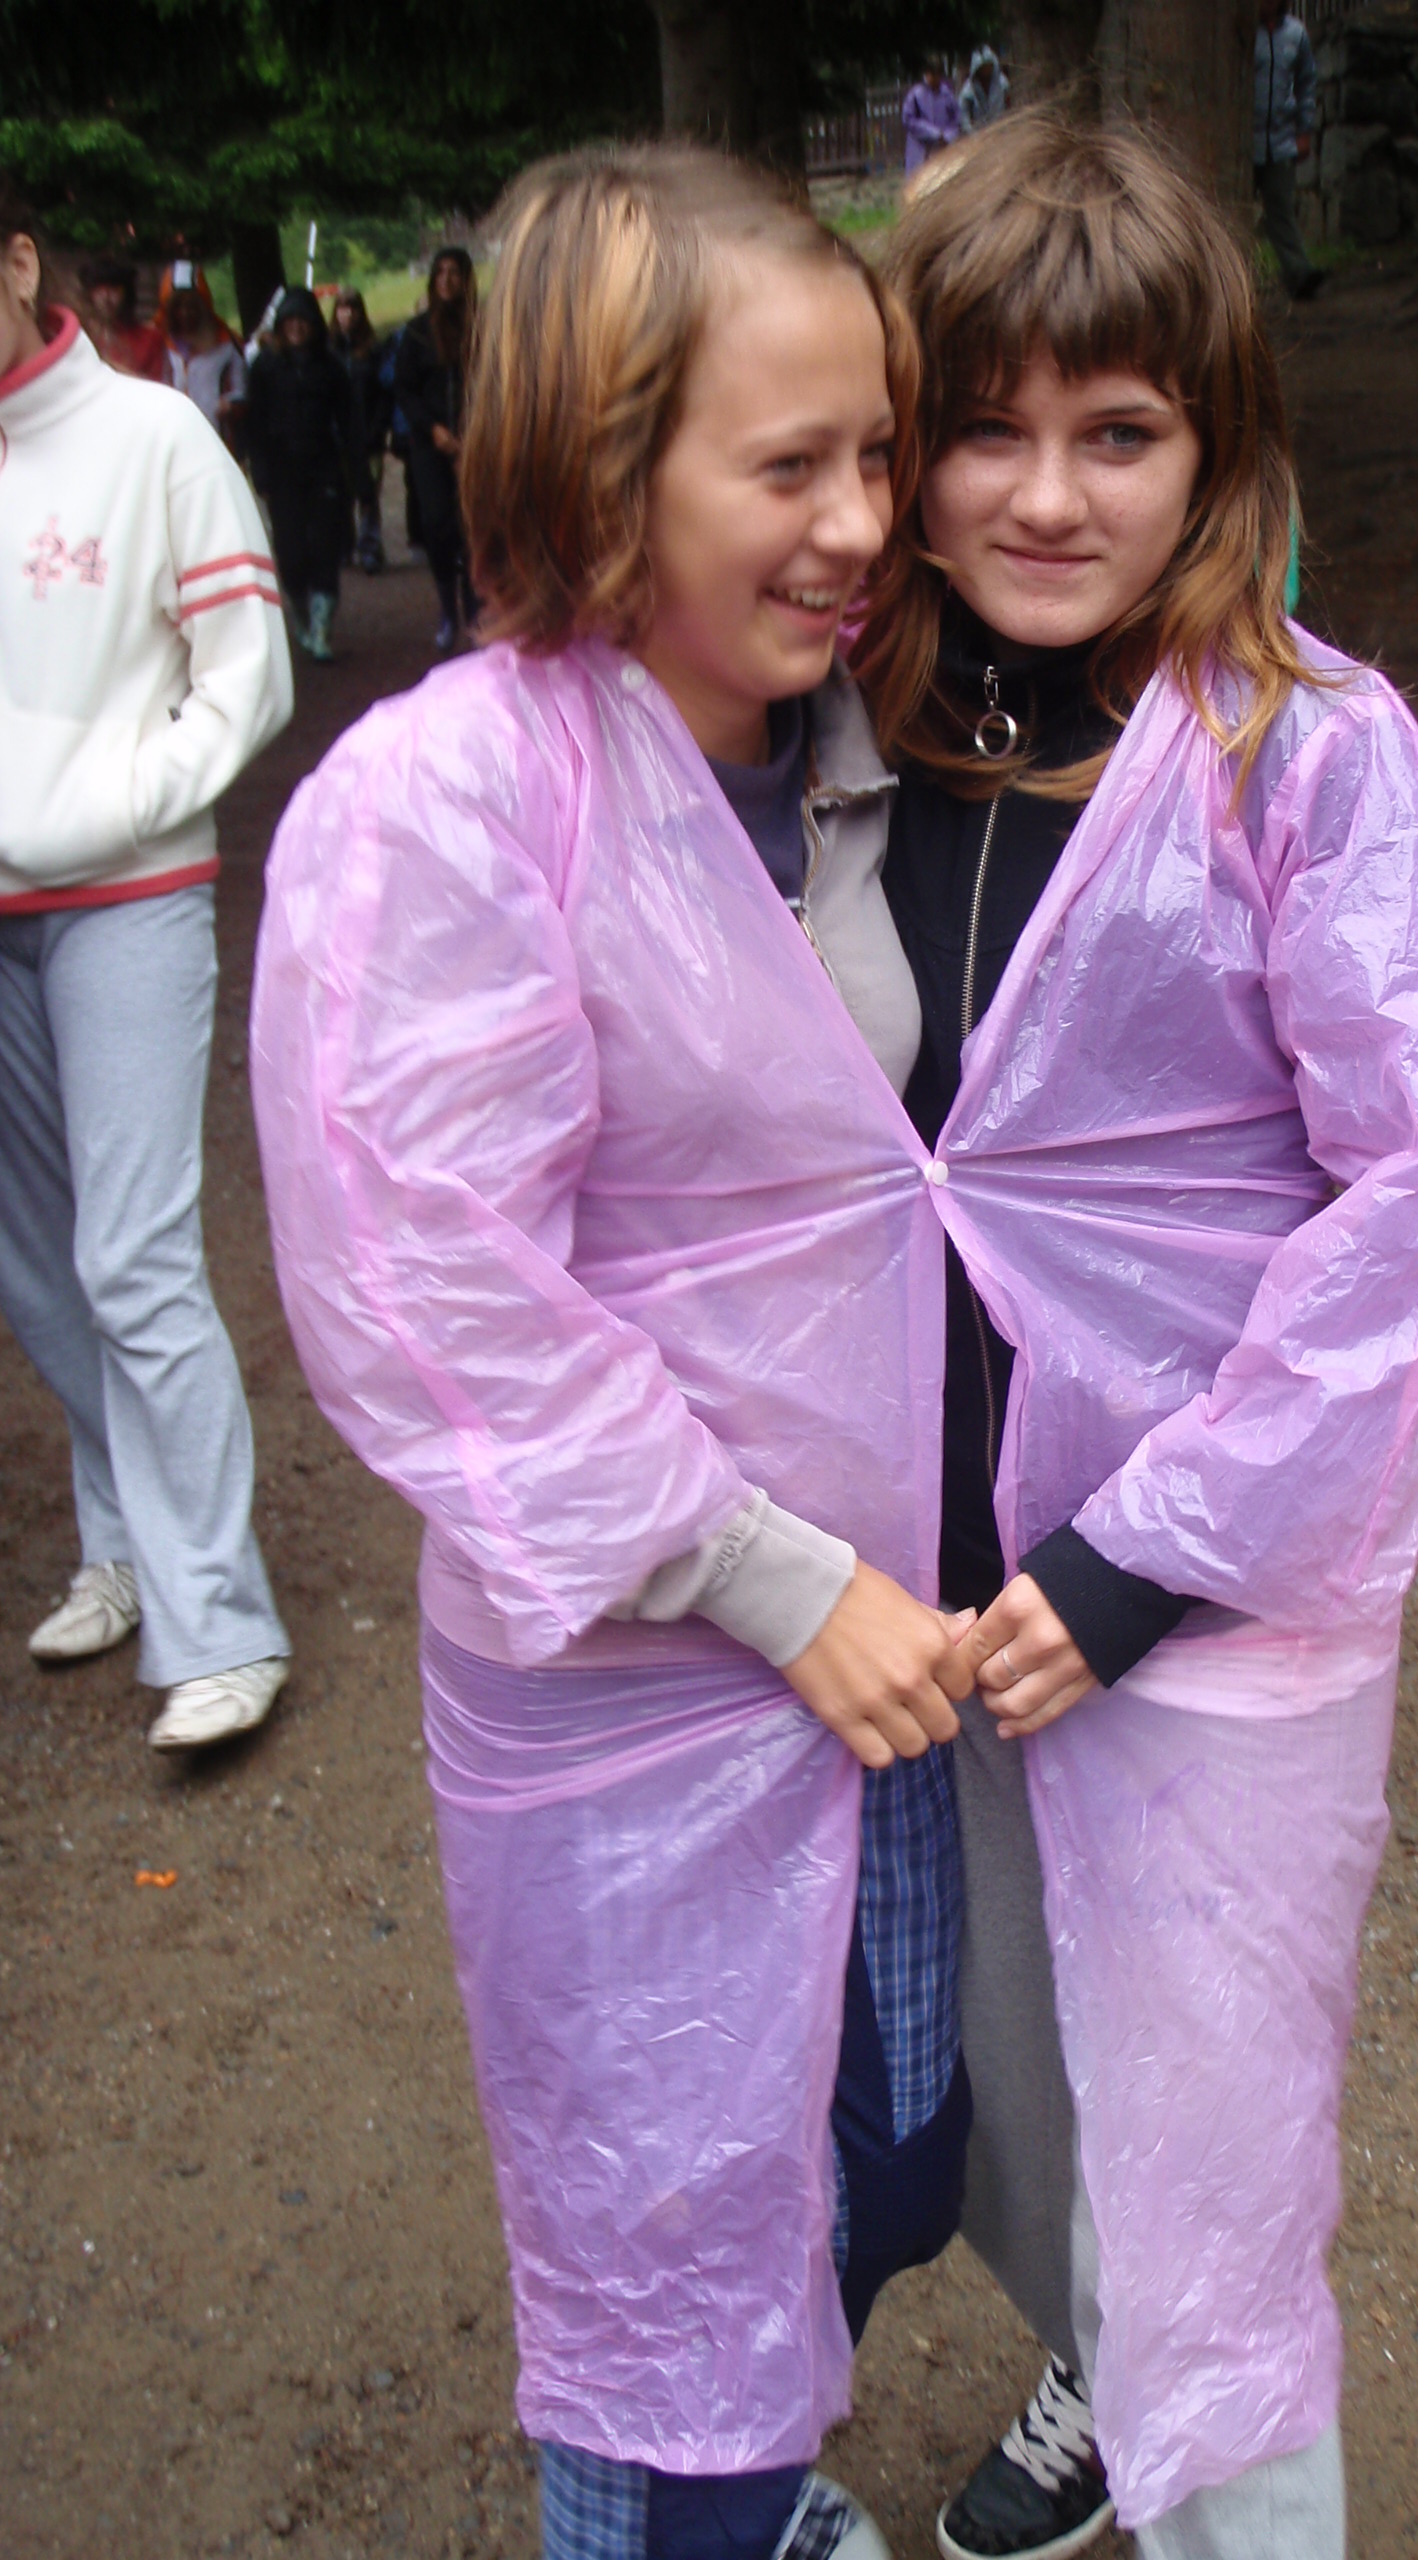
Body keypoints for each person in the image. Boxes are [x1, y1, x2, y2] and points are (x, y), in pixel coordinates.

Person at [251, 145, 981, 2560]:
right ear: (600, 462)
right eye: (788, 467)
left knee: (891, 2149)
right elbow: (428, 1286)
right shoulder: (447, 807)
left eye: (876, 452)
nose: (861, 522)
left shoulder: (856, 750)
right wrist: (770, 1573)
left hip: (882, 1649)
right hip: (649, 1682)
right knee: (671, 2288)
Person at [849, 111, 1418, 2560]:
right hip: (917, 1584)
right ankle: (1095, 2354)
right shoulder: (844, 739)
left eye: (1118, 431)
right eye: (985, 428)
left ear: (1215, 447)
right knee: (1009, 2081)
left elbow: (1411, 1203)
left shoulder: (1305, 756)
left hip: (1199, 1591)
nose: (1047, 497)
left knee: (1215, 2140)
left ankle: (1223, 2471)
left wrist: (1146, 1555)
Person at [0, 178, 294, 1752]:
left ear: (19, 261)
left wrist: (111, 807)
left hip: (126, 899)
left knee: (132, 1256)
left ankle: (221, 1619)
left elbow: (247, 677)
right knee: (37, 1267)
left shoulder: (151, 435)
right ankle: (124, 1542)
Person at [248, 284, 352, 660]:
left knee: (325, 546)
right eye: (289, 321)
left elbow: (349, 421)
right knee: (290, 550)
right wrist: (260, 471)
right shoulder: (264, 368)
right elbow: (255, 424)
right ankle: (302, 611)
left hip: (323, 466)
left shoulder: (332, 368)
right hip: (282, 471)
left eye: (303, 320)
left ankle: (322, 626)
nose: (296, 328)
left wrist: (355, 475)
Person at [393, 245, 479, 647]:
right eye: (440, 272)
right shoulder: (416, 333)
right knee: (438, 525)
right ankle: (448, 608)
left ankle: (475, 611)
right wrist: (432, 429)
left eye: (454, 272)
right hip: (430, 443)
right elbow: (405, 389)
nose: (447, 280)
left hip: (473, 442)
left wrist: (473, 432)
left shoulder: (482, 327)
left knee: (475, 530)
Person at [1253, 1, 1322, 302]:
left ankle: (1299, 274)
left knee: (1280, 209)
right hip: (1245, 142)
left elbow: (1306, 83)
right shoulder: (1242, 33)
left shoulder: (1296, 33)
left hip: (1280, 142)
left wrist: (1304, 131)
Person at [330, 286, 393, 572]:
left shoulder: (373, 350)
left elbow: (383, 392)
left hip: (368, 431)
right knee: (341, 492)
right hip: (339, 435)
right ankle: (344, 546)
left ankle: (370, 546)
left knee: (368, 493)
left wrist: (378, 427)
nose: (347, 314)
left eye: (352, 308)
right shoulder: (329, 351)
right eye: (342, 308)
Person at [164, 270, 250, 447]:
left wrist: (229, 405)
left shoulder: (226, 344)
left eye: (191, 306)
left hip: (216, 440)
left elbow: (242, 392)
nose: (185, 313)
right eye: (179, 306)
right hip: (175, 439)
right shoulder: (162, 344)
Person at [78, 253, 169, 381]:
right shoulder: (78, 337)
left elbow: (155, 385)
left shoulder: (150, 339)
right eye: (99, 289)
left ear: (127, 294)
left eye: (114, 289)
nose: (106, 297)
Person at [902, 60, 961, 175]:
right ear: (925, 74)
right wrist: (933, 133)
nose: (933, 78)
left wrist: (948, 136)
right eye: (930, 74)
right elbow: (908, 120)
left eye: (936, 74)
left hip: (941, 150)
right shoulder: (916, 95)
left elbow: (957, 120)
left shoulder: (947, 95)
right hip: (919, 151)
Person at [958, 47, 1008, 134]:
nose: (986, 69)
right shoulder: (968, 91)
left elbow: (1009, 106)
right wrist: (972, 133)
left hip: (1001, 132)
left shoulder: (1003, 84)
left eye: (989, 65)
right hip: (979, 134)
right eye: (983, 66)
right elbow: (964, 116)